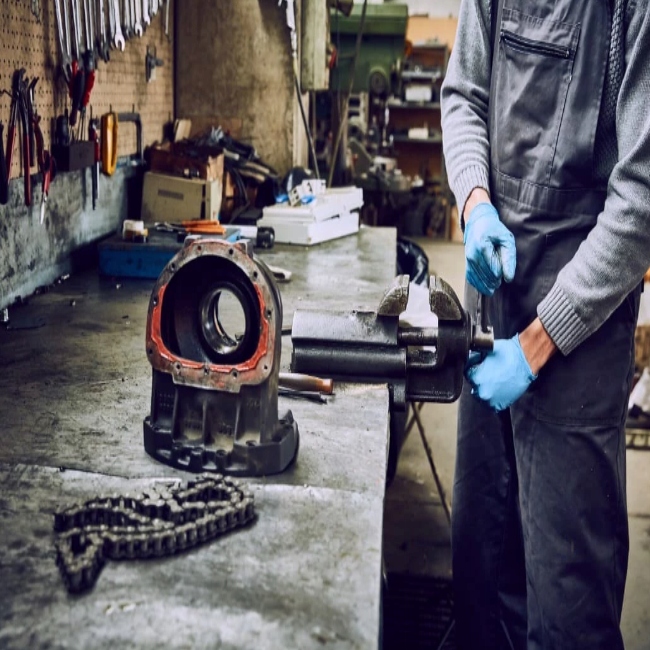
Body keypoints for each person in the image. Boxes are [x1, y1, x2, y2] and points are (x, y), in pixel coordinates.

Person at [440, 1, 650, 648]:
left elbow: (643, 197)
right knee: (483, 548)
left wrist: (538, 343)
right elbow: (463, 96)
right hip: (495, 281)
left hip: (584, 309)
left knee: (567, 593)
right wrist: (475, 203)